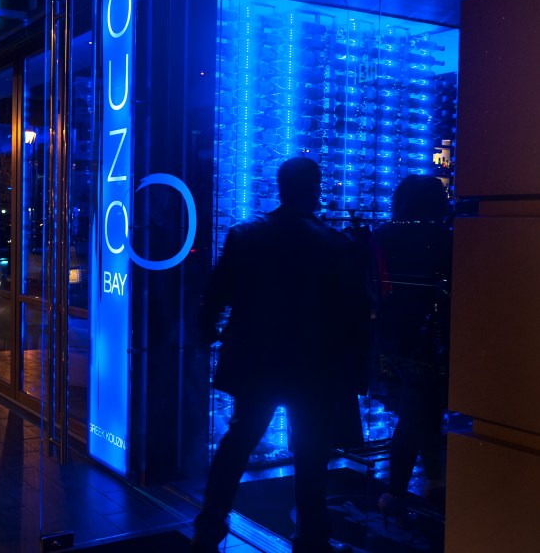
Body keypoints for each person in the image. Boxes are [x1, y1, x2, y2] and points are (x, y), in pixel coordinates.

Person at [192, 156, 369, 553]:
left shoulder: (246, 234)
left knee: (238, 443)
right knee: (310, 452)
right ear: (315, 189)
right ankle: (311, 536)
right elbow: (354, 314)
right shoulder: (337, 244)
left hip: (257, 363)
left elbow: (216, 297)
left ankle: (209, 525)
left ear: (280, 186)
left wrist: (212, 336)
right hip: (314, 366)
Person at [371, 175, 452, 525]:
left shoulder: (384, 234)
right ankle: (407, 489)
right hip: (431, 341)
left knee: (416, 411)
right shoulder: (442, 238)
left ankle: (417, 486)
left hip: (393, 337)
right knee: (420, 413)